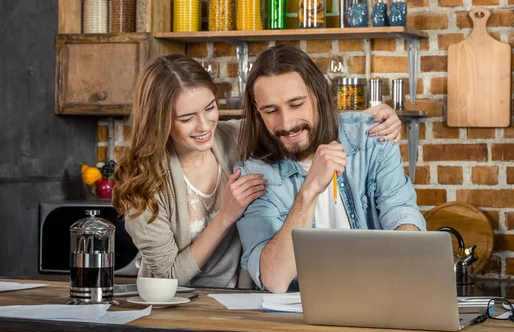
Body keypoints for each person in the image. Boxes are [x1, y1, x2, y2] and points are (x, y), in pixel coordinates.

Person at [112, 54, 405, 288]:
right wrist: (226, 216)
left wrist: (373, 117)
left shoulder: (230, 137)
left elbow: (292, 124)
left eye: (210, 108)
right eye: (187, 118)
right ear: (160, 122)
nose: (204, 126)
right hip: (178, 302)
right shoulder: (141, 182)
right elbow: (166, 276)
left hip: (240, 300)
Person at [236, 45, 426, 294]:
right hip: (301, 314)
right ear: (258, 112)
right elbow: (274, 279)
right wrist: (309, 190)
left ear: (318, 94)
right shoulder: (254, 174)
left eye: (296, 104)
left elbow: (403, 217)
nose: (287, 123)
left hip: (381, 295)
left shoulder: (371, 138)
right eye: (271, 111)